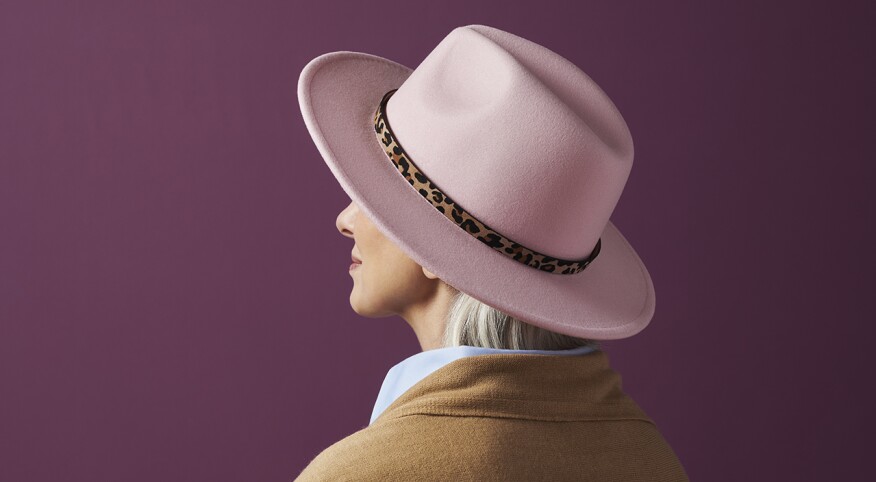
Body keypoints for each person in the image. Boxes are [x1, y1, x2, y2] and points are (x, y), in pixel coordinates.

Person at [295, 23, 689, 481]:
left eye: (369, 198)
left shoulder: (363, 474)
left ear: (430, 246)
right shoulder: (650, 459)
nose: (345, 221)